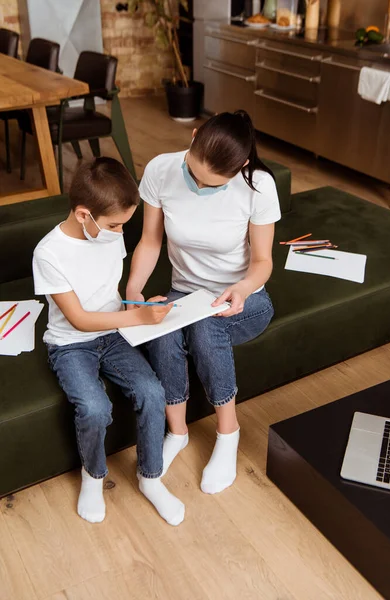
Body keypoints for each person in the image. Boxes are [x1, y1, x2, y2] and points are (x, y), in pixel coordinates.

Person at [126, 110, 281, 495]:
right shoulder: (161, 170)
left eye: (210, 185)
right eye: (193, 174)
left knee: (204, 323)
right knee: (164, 327)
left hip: (245, 298)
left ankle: (228, 433)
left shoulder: (258, 185)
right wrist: (132, 295)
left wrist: (242, 289)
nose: (197, 185)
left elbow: (263, 262)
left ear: (240, 167)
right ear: (193, 136)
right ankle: (177, 432)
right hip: (187, 293)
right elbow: (150, 241)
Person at [33, 157, 184, 526]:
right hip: (71, 343)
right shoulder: (48, 253)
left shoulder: (108, 234)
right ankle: (93, 477)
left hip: (114, 334)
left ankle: (151, 477)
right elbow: (80, 319)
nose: (120, 233)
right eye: (114, 224)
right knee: (95, 408)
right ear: (84, 214)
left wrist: (138, 304)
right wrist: (136, 317)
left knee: (151, 391)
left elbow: (108, 293)